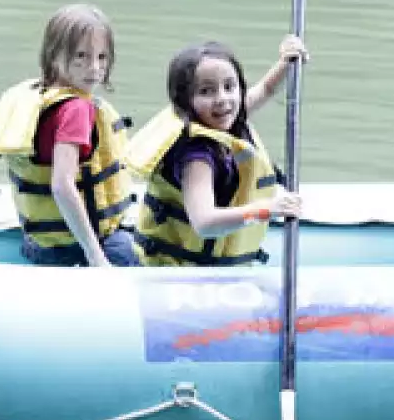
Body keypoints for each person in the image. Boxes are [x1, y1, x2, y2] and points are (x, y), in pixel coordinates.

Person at [0, 4, 140, 267]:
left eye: (101, 57)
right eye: (81, 56)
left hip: (36, 243)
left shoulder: (32, 95)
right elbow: (62, 186)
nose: (94, 68)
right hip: (72, 248)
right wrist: (95, 255)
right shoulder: (76, 109)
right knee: (145, 256)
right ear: (54, 56)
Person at [124, 36, 308, 266]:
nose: (222, 99)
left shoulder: (223, 117)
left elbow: (267, 89)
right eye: (206, 91)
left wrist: (286, 62)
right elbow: (205, 222)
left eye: (230, 87)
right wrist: (265, 209)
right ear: (185, 101)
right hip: (178, 275)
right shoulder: (196, 156)